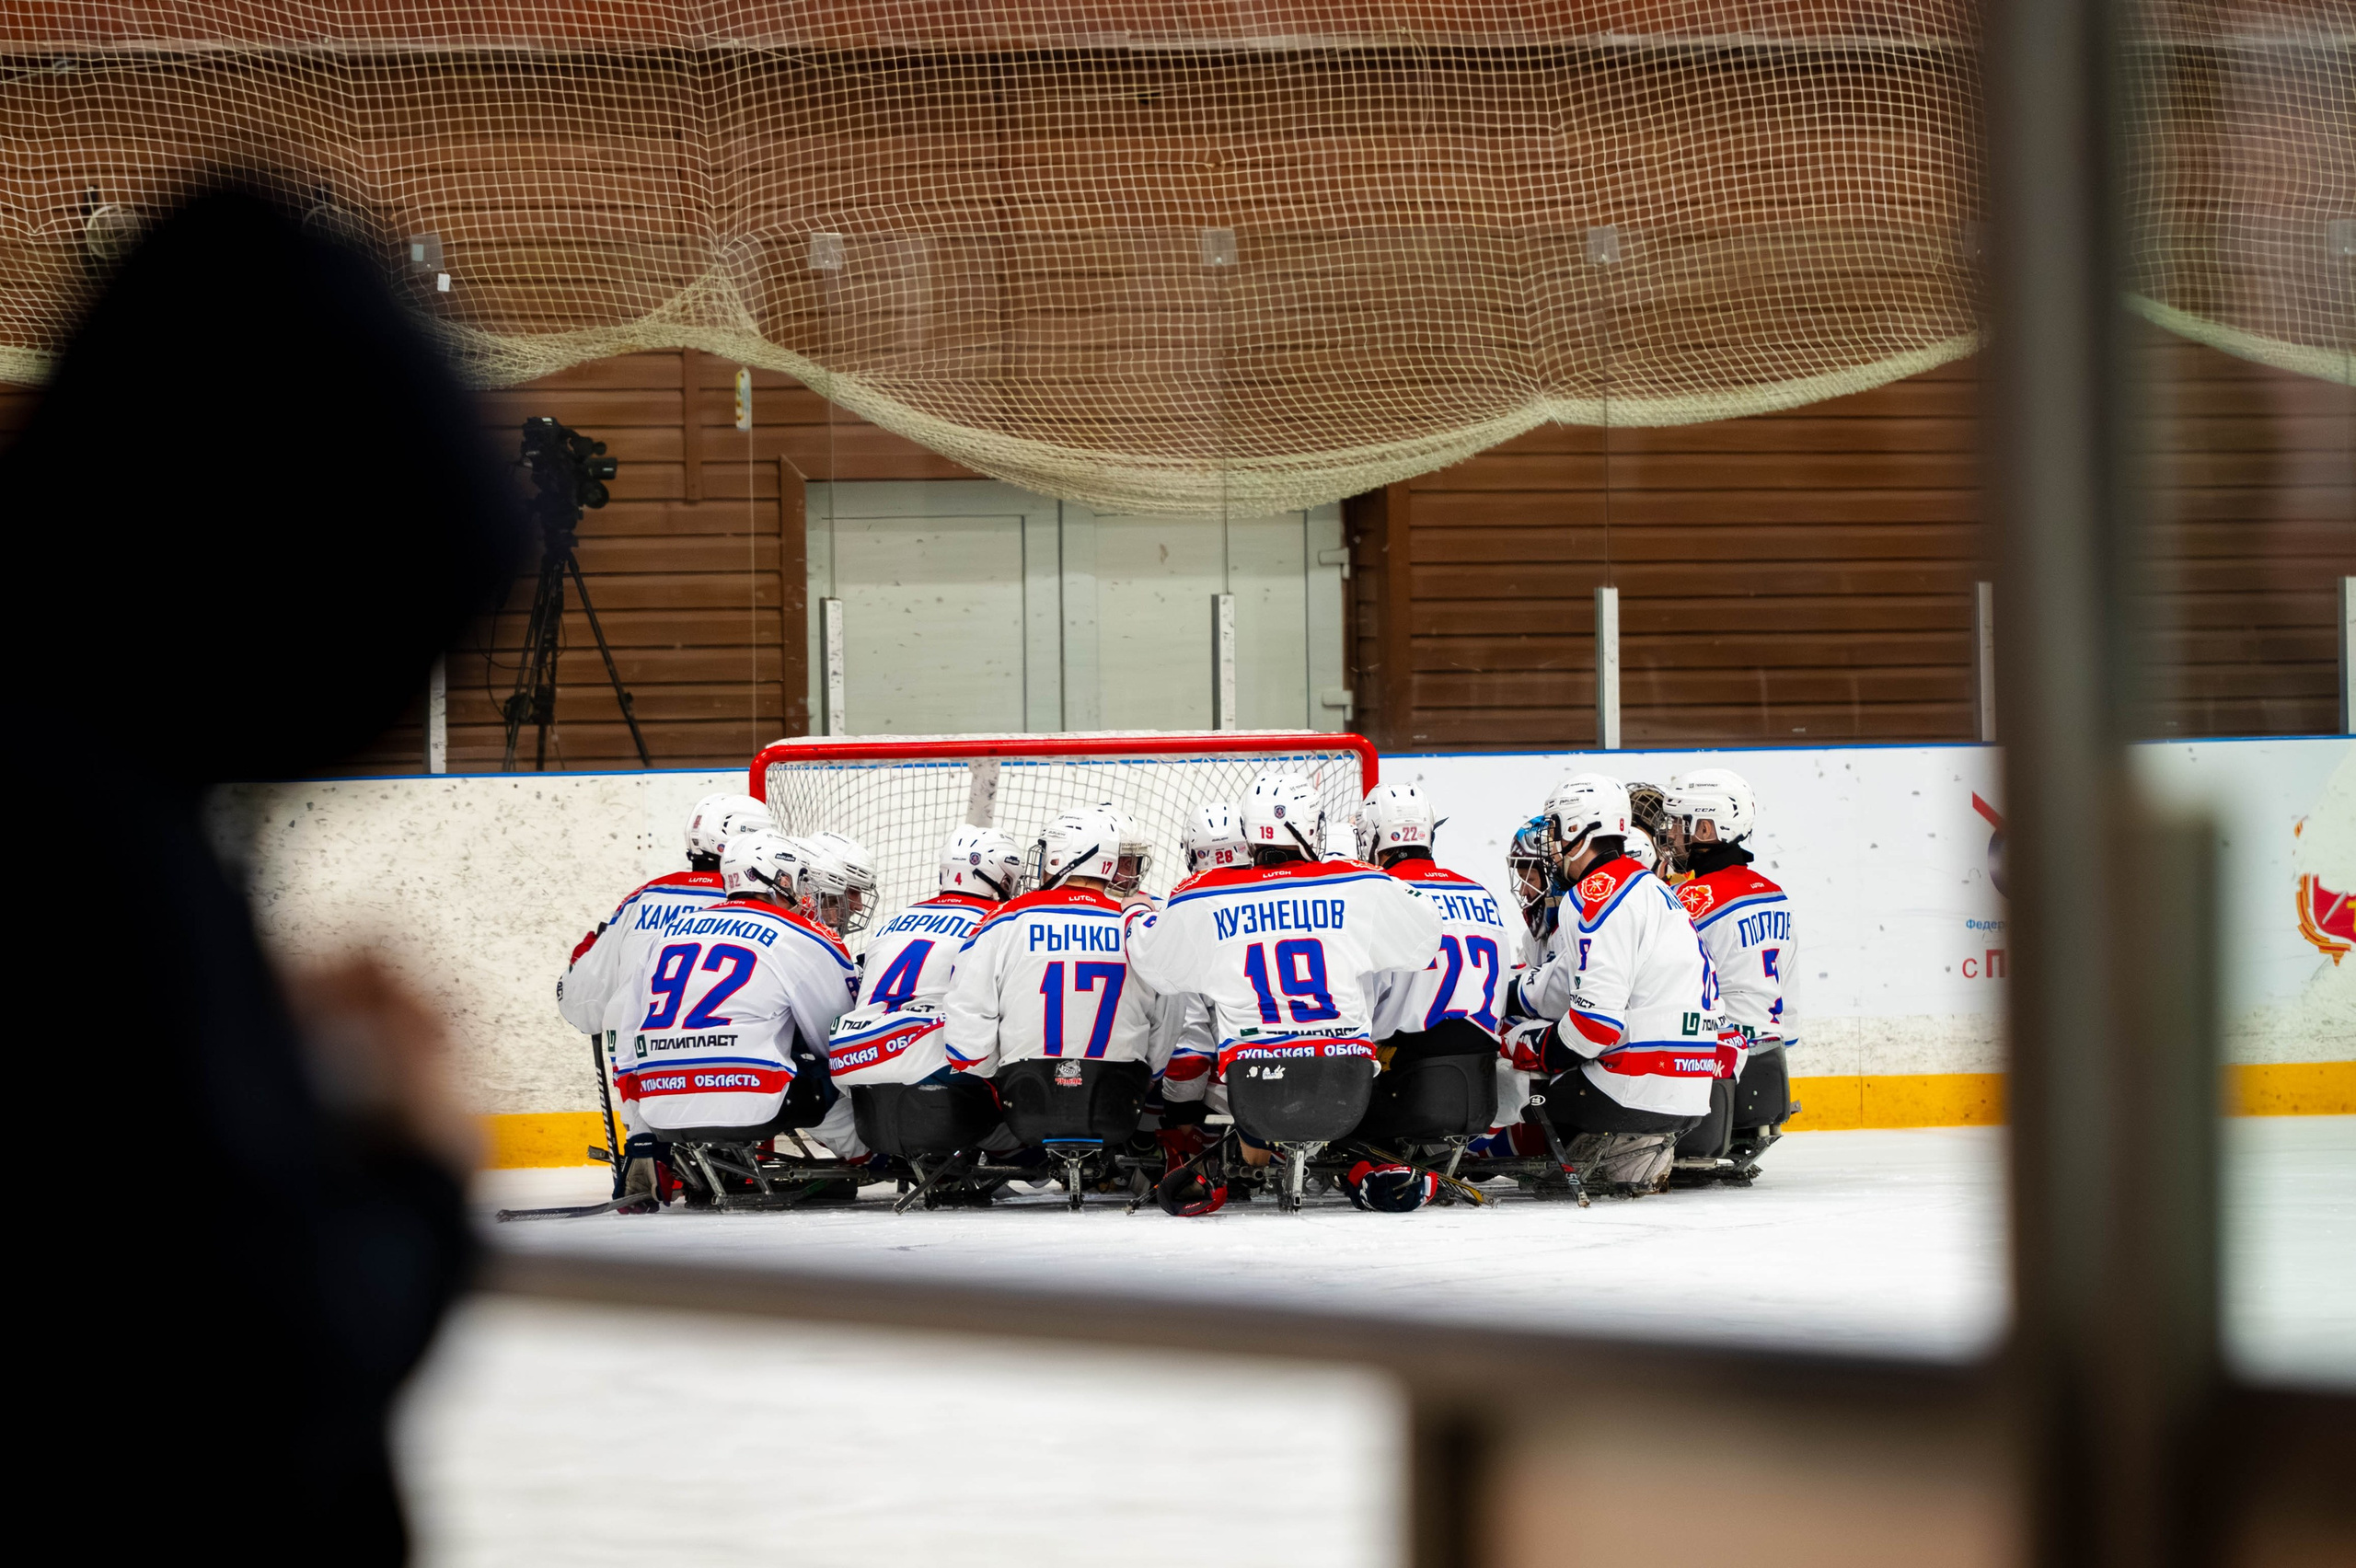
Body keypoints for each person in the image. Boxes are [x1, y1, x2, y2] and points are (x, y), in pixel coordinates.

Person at [1125, 773, 1442, 1200]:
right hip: (1345, 1081)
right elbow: (1425, 941)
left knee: (1230, 1085)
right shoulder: (1358, 881)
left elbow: (1151, 964)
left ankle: (1233, 1165)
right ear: (1311, 828)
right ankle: (1356, 1166)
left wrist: (1134, 913)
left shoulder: (1204, 892)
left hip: (1255, 1085)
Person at [1499, 772, 1727, 1192]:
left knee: (1508, 1069)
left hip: (1627, 1090)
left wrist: (1524, 1045)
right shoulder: (1651, 888)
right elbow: (1566, 982)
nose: (1551, 844)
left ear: (1577, 830)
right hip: (1693, 1093)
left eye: (1553, 829)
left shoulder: (1592, 894)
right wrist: (1506, 992)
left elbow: (1593, 1029)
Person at [558, 794, 770, 1184]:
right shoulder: (757, 904)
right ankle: (726, 1155)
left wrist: (576, 967)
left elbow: (583, 1004)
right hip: (735, 1071)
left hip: (646, 1074)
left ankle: (644, 1144)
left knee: (629, 1023)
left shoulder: (644, 897)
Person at [614, 829, 858, 1138]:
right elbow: (833, 1038)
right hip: (753, 1105)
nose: (802, 892)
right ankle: (870, 1156)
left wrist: (640, 1125)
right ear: (780, 880)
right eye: (797, 880)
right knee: (836, 1063)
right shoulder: (798, 932)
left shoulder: (668, 932)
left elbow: (628, 1032)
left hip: (660, 1109)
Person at [814, 825, 1022, 1150]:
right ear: (1004, 878)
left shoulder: (893, 922)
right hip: (935, 1079)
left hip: (859, 1074)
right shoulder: (999, 923)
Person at [942, 809, 1153, 1078]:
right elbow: (1168, 1015)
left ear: (1061, 858)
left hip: (1026, 1088)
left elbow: (968, 1015)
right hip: (1119, 1092)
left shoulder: (1006, 916)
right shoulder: (1135, 922)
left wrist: (994, 1073)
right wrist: (1149, 1077)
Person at [1662, 767, 1798, 1130]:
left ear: (1705, 830)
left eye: (1679, 823)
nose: (1671, 835)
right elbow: (1790, 989)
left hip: (1718, 1070)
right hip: (1771, 1062)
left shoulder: (1690, 898)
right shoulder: (1774, 893)